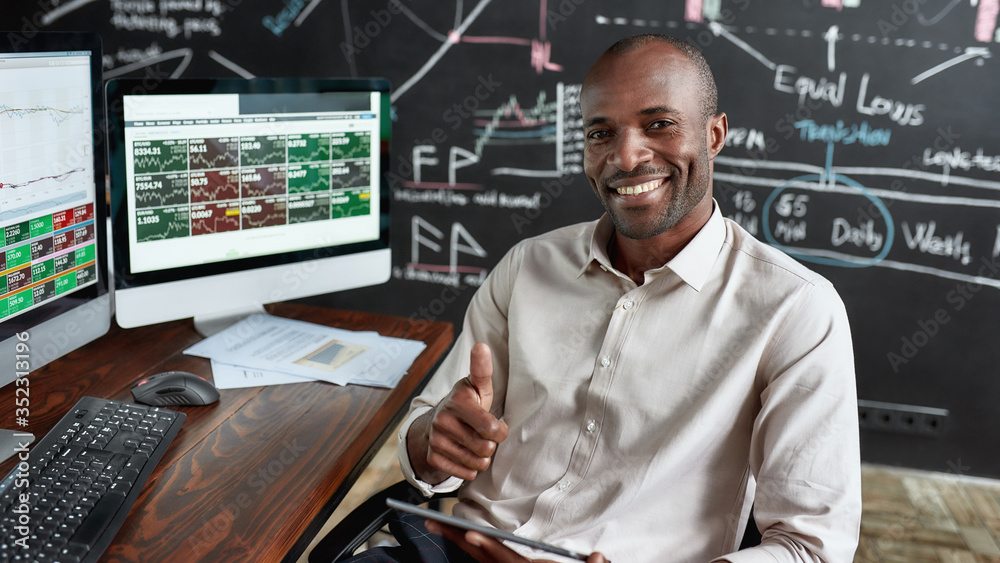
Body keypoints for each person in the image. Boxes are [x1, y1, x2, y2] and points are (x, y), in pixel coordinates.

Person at [367, 33, 861, 562]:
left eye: (659, 125)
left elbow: (810, 548)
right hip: (463, 551)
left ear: (714, 135)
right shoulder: (527, 266)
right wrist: (435, 444)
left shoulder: (797, 309)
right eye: (601, 133)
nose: (625, 157)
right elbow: (428, 446)